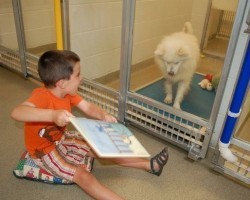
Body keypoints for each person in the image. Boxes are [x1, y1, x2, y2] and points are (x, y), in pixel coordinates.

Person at [11, 50, 169, 200]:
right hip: (45, 152)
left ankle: (150, 165)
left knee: (104, 147)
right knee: (84, 177)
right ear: (62, 83)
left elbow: (88, 107)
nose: (81, 78)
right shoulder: (42, 96)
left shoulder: (67, 94)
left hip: (62, 139)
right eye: (78, 74)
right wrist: (52, 115)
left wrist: (103, 115)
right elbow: (17, 112)